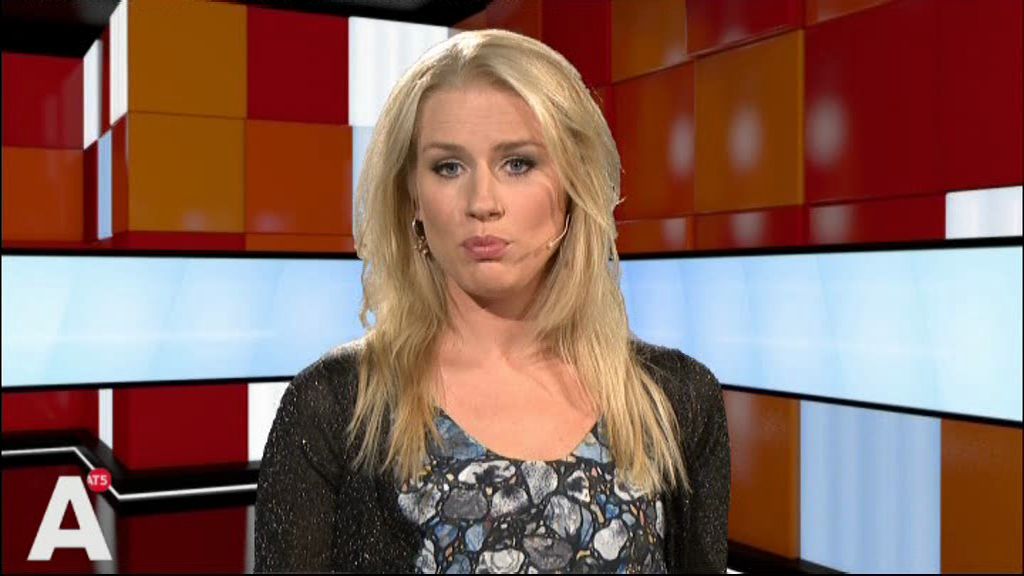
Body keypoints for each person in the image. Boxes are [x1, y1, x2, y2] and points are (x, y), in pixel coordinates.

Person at [255, 28, 730, 574]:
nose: (482, 202)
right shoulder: (334, 407)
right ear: (412, 196)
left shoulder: (676, 401)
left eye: (518, 164)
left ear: (574, 186)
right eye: (448, 167)